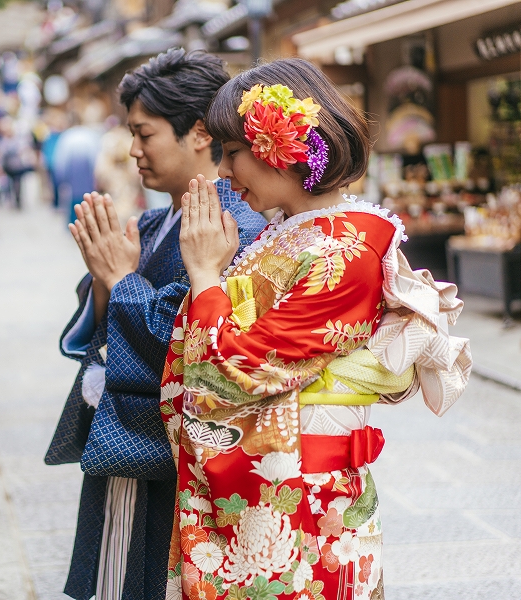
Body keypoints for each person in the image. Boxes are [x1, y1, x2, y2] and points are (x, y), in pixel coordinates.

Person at [161, 58, 472, 600]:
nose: (224, 172)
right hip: (292, 477)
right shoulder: (293, 234)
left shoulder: (347, 247)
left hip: (308, 496)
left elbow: (237, 372)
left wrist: (207, 276)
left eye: (231, 152)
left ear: (277, 145)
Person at [45, 48, 267, 600]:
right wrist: (105, 281)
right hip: (131, 432)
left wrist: (121, 279)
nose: (133, 150)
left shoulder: (234, 225)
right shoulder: (153, 221)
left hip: (171, 444)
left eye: (145, 134)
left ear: (199, 133)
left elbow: (190, 340)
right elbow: (105, 327)